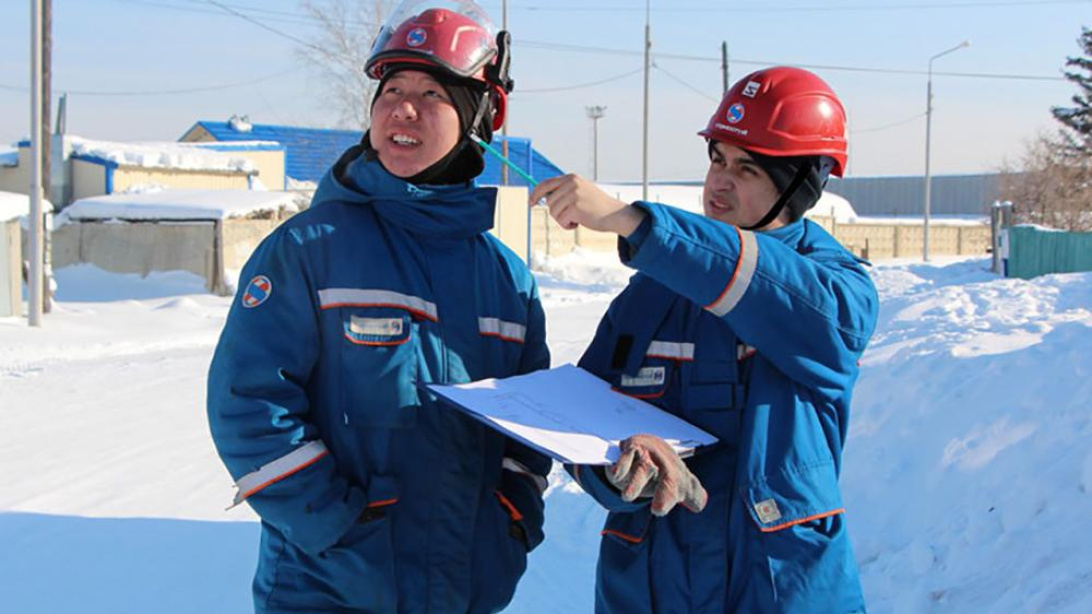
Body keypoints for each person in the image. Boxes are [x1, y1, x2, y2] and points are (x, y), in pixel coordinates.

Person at [207, 2, 550, 612]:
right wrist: (336, 526)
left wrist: (512, 513)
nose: (403, 108)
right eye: (391, 89)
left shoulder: (507, 279)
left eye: (431, 93)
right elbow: (248, 402)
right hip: (329, 589)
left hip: (466, 587)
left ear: (477, 116)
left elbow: (528, 424)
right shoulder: (310, 249)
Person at [531, 66, 878, 613]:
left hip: (779, 590)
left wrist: (632, 221)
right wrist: (622, 469)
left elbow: (770, 288)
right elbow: (580, 420)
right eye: (717, 159)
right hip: (650, 588)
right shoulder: (652, 295)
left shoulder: (837, 292)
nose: (719, 181)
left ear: (800, 183)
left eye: (746, 168)